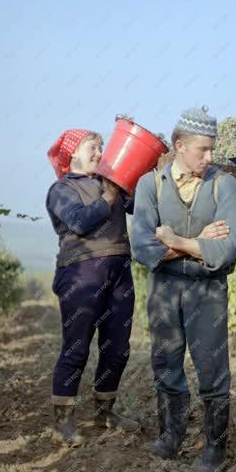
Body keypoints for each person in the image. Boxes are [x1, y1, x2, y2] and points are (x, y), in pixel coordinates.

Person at [131, 107, 236, 472]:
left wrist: (176, 240)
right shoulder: (151, 185)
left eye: (212, 150)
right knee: (166, 364)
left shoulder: (223, 185)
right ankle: (170, 437)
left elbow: (226, 252)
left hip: (208, 290)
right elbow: (145, 249)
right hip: (164, 289)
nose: (210, 157)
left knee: (212, 368)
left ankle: (215, 447)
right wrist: (198, 243)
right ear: (179, 146)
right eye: (203, 150)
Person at [46, 129, 140, 447]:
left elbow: (139, 203)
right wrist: (110, 195)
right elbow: (80, 222)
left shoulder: (109, 183)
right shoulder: (61, 189)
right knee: (76, 348)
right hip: (80, 275)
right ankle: (63, 422)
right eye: (92, 147)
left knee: (117, 348)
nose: (99, 153)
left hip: (119, 272)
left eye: (101, 147)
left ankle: (105, 412)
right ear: (73, 152)